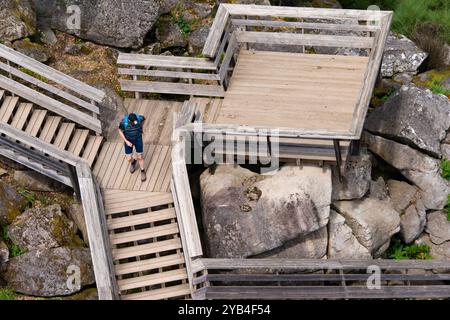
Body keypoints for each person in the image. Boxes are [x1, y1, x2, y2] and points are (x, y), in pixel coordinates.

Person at [118, 112, 147, 182]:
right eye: (133, 122)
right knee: (128, 158)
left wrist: (141, 128)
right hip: (128, 141)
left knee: (140, 156)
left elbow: (144, 120)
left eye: (135, 121)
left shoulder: (139, 118)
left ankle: (142, 171)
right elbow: (120, 131)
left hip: (138, 139)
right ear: (129, 121)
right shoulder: (123, 123)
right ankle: (133, 162)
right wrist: (127, 141)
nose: (135, 123)